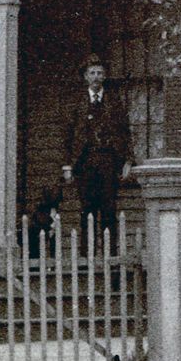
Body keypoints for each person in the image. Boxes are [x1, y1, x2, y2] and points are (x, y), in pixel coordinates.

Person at [62, 57, 134, 237]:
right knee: (87, 211)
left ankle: (111, 253)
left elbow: (125, 132)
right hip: (85, 162)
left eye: (99, 73)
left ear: (105, 76)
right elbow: (68, 136)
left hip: (108, 161)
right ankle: (88, 253)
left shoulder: (114, 102)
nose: (96, 76)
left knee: (109, 209)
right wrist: (67, 166)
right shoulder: (76, 103)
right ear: (86, 77)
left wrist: (128, 161)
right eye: (92, 73)